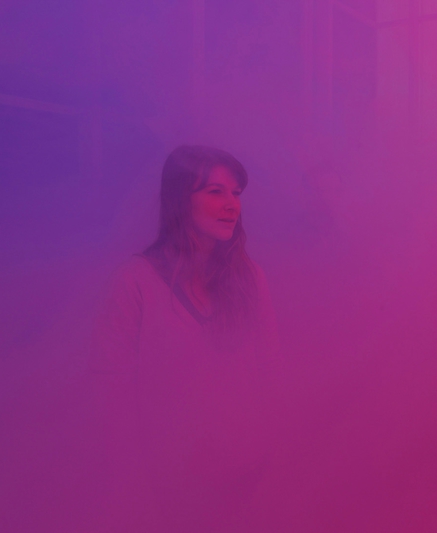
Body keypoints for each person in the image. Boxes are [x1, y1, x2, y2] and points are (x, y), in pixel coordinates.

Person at [89, 145, 279, 532]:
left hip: (247, 472)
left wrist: (271, 454)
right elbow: (110, 388)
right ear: (179, 200)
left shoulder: (249, 278)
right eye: (215, 192)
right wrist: (133, 482)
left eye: (236, 194)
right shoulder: (136, 280)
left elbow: (270, 369)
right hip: (170, 483)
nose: (232, 205)